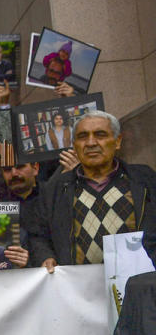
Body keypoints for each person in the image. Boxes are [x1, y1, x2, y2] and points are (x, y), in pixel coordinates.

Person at [31, 111, 156, 278]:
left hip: (140, 289)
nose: (91, 143)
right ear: (74, 145)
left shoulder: (145, 179)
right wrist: (46, 257)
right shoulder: (55, 189)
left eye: (100, 135)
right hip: (80, 292)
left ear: (117, 141)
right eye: (83, 137)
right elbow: (38, 235)